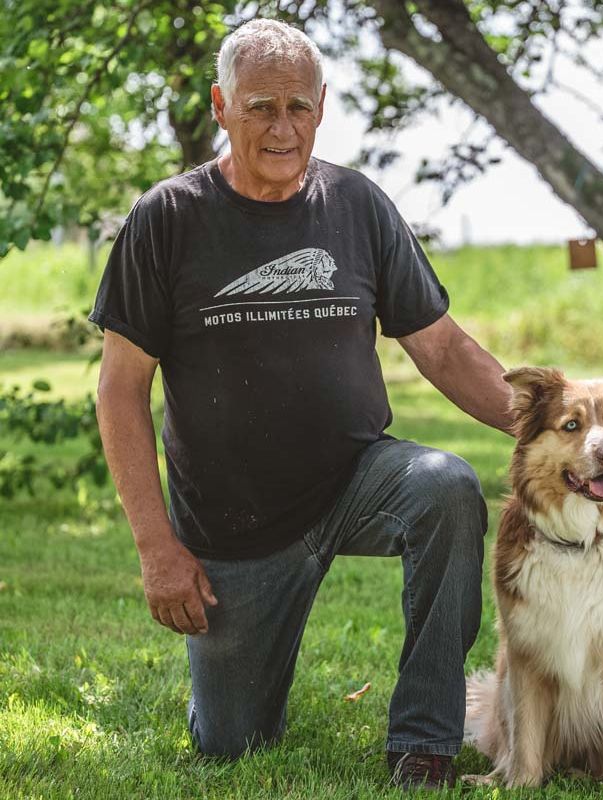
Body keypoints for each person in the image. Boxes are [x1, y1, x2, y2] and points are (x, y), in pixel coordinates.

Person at [90, 18, 513, 791]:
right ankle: (237, 688)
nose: (282, 128)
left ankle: (423, 741)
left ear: (321, 107)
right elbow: (120, 389)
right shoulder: (169, 218)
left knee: (447, 487)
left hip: (357, 481)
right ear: (221, 105)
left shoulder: (358, 205)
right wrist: (158, 548)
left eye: (298, 107)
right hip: (234, 523)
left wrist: (553, 423)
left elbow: (444, 348)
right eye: (259, 107)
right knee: (232, 744)